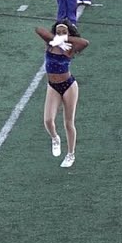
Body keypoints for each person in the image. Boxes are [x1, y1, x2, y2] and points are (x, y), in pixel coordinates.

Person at [36, 20, 89, 168]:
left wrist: (65, 39)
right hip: (53, 86)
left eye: (64, 32)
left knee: (68, 122)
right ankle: (55, 138)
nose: (60, 34)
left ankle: (70, 154)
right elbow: (39, 30)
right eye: (58, 32)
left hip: (69, 86)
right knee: (48, 120)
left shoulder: (69, 48)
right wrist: (55, 38)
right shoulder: (51, 44)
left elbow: (85, 42)